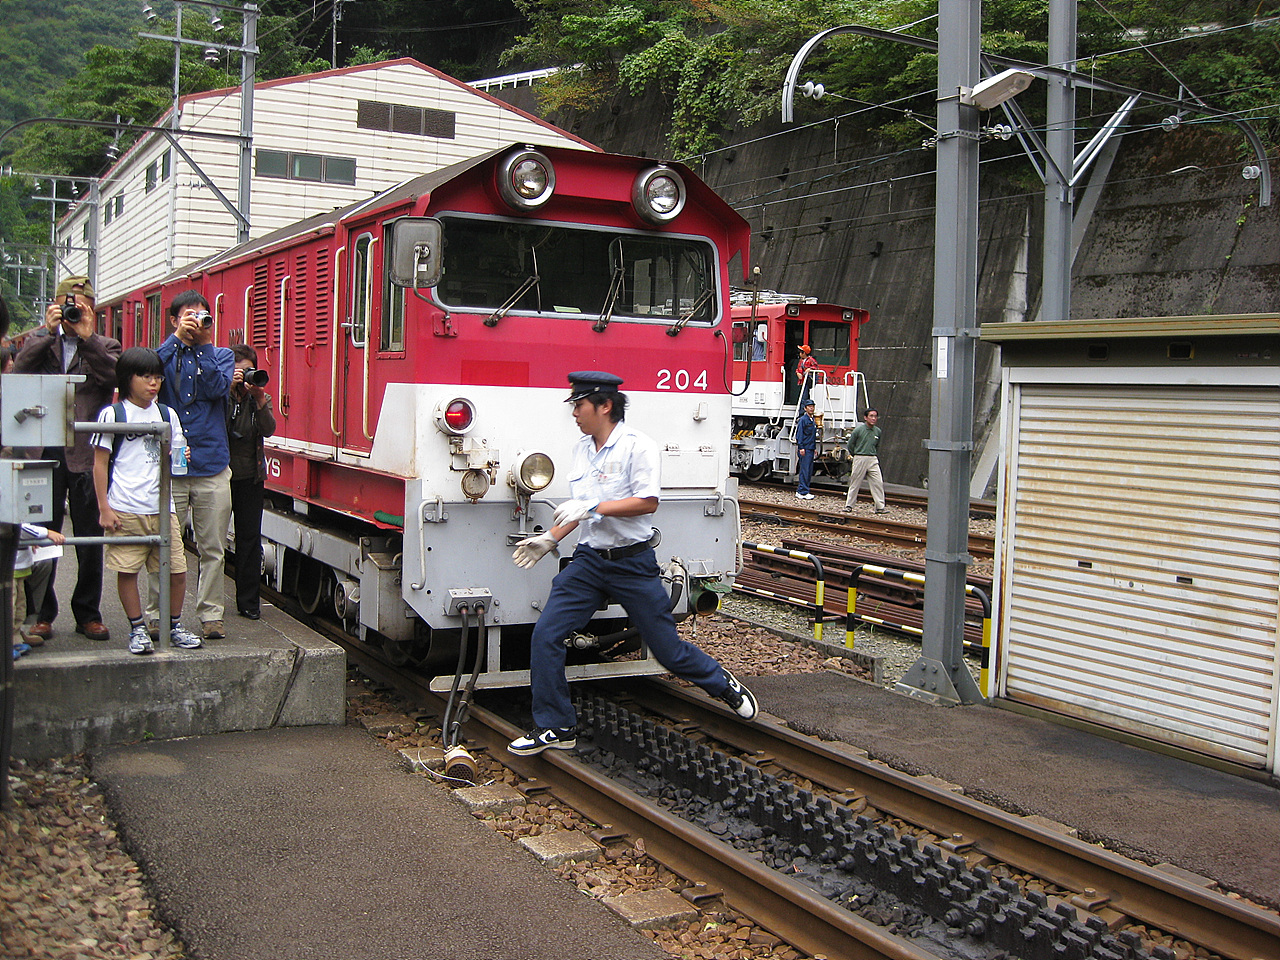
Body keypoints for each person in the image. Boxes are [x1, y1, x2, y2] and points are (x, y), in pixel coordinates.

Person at [506, 371, 758, 756]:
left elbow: (646, 502)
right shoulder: (581, 450)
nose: (574, 412)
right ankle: (555, 725)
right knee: (546, 635)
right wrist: (550, 538)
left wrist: (590, 506)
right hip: (589, 562)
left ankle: (721, 682)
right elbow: (582, 510)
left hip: (632, 563)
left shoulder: (638, 447)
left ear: (604, 405)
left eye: (579, 404)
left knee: (668, 651)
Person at [11, 276, 121, 643]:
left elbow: (113, 376)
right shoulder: (41, 342)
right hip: (42, 448)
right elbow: (17, 373)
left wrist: (87, 337)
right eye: (65, 304)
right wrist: (47, 331)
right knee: (41, 534)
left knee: (89, 538)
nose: (72, 312)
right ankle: (41, 613)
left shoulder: (105, 344)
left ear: (91, 307)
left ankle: (88, 613)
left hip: (86, 453)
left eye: (79, 306)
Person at [92, 347, 202, 655]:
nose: (152, 383)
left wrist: (181, 458)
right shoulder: (113, 414)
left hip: (162, 507)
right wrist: (104, 507)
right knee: (127, 570)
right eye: (145, 376)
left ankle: (173, 625)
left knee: (177, 571)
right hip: (125, 506)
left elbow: (176, 460)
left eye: (156, 377)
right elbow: (100, 462)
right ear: (128, 379)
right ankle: (137, 628)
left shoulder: (167, 414)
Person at [147, 290, 234, 641]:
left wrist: (204, 344)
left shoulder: (221, 355)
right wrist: (176, 341)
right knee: (163, 544)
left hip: (212, 464)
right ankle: (157, 616)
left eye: (203, 315)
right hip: (171, 467)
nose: (197, 321)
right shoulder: (161, 357)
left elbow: (216, 388)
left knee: (212, 548)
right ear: (172, 319)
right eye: (188, 315)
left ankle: (211, 615)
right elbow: (149, 379)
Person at [227, 344, 276, 620]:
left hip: (251, 478)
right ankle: (209, 603)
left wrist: (257, 399)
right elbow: (222, 425)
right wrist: (228, 391)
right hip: (221, 476)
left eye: (249, 369)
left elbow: (268, 430)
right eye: (240, 371)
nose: (245, 376)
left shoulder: (259, 398)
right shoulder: (220, 396)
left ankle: (249, 603)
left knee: (249, 541)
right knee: (212, 542)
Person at [844, 408, 887, 514]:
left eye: (875, 416)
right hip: (860, 457)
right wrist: (856, 455)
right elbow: (850, 444)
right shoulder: (859, 430)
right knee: (855, 482)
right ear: (865, 418)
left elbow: (877, 445)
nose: (873, 418)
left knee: (878, 482)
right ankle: (849, 505)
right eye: (871, 416)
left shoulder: (878, 431)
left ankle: (880, 506)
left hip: (872, 458)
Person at [795, 399, 817, 500]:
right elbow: (799, 434)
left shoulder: (812, 420)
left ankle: (805, 490)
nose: (811, 408)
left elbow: (812, 436)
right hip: (805, 448)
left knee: (808, 470)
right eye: (809, 406)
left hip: (810, 448)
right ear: (805, 408)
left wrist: (814, 448)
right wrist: (801, 447)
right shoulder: (803, 420)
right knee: (804, 470)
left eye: (812, 406)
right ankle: (801, 491)